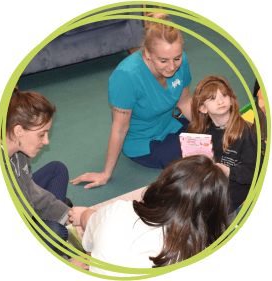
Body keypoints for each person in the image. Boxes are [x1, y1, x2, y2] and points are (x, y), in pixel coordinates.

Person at [71, 13, 193, 189]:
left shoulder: (181, 61)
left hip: (169, 123)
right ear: (148, 53)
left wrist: (205, 128)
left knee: (214, 131)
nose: (172, 67)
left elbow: (185, 101)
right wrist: (106, 173)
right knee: (192, 156)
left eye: (177, 58)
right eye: (163, 60)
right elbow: (120, 128)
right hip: (143, 140)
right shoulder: (126, 77)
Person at [67, 155, 230, 276]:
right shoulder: (198, 252)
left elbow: (89, 238)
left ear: (163, 184)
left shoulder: (119, 209)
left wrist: (85, 215)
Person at [2, 86, 72, 253]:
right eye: (41, 134)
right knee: (56, 233)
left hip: (23, 204)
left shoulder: (19, 152)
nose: (46, 141)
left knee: (57, 170)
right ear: (18, 131)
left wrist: (67, 216)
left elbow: (30, 190)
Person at [186, 76, 258, 214]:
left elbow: (255, 172)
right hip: (209, 183)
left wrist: (228, 171)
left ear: (231, 100)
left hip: (235, 187)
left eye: (224, 95)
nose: (220, 101)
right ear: (202, 108)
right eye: (212, 99)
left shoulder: (248, 132)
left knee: (212, 213)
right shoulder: (201, 133)